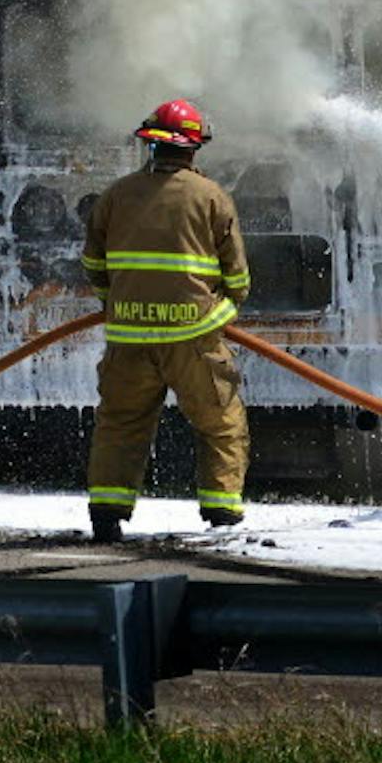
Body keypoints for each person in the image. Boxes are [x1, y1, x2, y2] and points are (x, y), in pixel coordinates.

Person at [80, 98, 252, 542]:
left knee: (120, 423)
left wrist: (119, 305)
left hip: (128, 337)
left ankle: (106, 514)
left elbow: (93, 265)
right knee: (220, 422)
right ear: (194, 148)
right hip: (193, 337)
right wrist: (220, 314)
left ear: (152, 146)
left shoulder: (116, 195)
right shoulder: (212, 197)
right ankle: (222, 517)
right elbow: (238, 279)